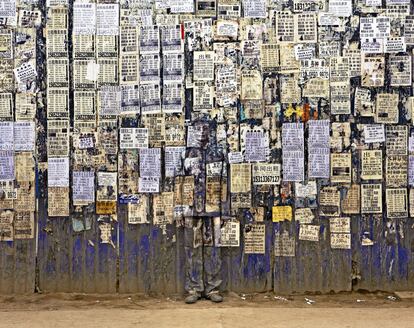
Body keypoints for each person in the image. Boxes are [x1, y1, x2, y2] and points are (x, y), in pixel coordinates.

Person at [184, 217, 223, 304]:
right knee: (192, 252)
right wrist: (179, 214)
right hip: (191, 212)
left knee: (213, 253)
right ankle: (194, 289)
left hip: (214, 213)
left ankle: (212, 289)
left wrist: (225, 215)